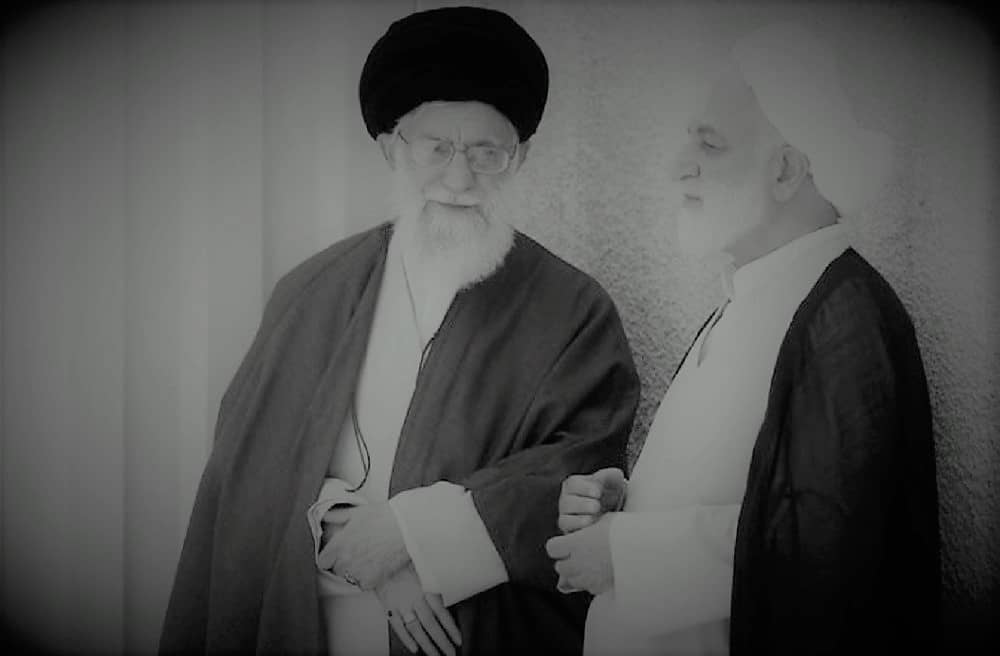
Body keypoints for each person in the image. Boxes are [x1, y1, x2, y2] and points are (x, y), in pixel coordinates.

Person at [159, 6, 639, 656]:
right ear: (391, 147)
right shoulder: (312, 291)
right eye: (437, 148)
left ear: (520, 157)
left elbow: (579, 476)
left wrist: (413, 538)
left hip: (464, 630)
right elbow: (253, 471)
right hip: (312, 620)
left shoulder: (574, 310)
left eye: (487, 153)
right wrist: (357, 543)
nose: (460, 179)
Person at [547, 22, 940, 655]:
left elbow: (827, 548)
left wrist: (627, 554)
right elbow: (753, 499)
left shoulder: (846, 319)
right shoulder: (753, 297)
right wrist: (627, 506)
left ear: (784, 169)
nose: (678, 167)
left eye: (709, 143)